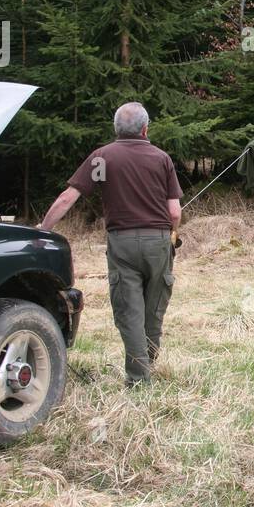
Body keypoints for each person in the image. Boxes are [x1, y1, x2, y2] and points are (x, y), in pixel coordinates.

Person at [38, 102, 182, 386]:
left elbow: (68, 197)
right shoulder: (162, 158)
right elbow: (175, 212)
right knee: (154, 309)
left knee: (129, 311)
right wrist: (171, 234)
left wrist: (43, 229)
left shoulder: (102, 158)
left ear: (116, 129)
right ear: (145, 129)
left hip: (122, 245)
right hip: (158, 242)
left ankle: (139, 379)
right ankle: (148, 364)